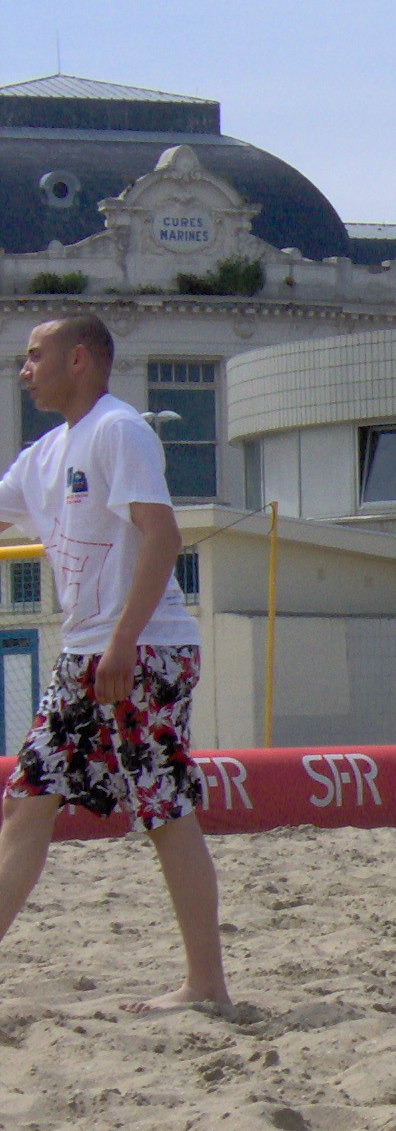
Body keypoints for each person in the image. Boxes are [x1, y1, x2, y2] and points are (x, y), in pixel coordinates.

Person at [0, 314, 229, 1011]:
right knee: (26, 804)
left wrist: (124, 641)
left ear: (77, 359)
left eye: (34, 356)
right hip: (80, 654)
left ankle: (206, 987)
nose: (23, 369)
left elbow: (162, 537)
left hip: (143, 647)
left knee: (163, 810)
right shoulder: (48, 452)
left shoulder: (118, 429)